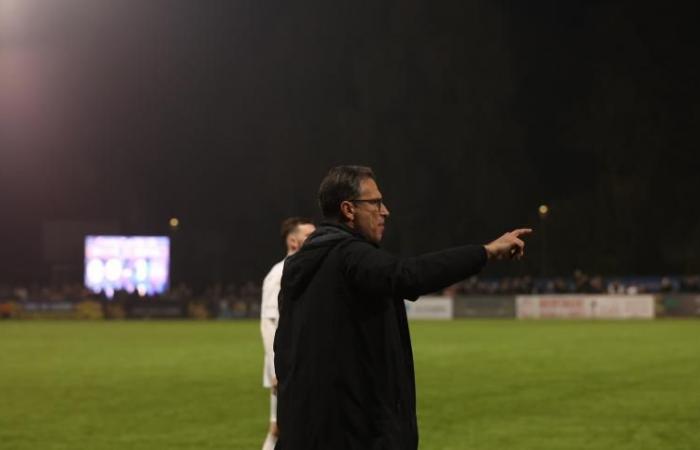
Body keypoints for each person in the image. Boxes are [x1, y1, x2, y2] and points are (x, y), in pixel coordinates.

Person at [274, 165, 531, 450]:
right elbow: (409, 275)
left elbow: (283, 349)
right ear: (348, 209)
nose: (385, 211)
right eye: (375, 203)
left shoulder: (295, 267)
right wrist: (485, 252)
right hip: (354, 435)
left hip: (306, 430)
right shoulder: (350, 255)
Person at [260, 217, 316, 450]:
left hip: (305, 363)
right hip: (286, 366)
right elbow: (268, 323)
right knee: (278, 428)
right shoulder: (279, 274)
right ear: (293, 242)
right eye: (309, 237)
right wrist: (277, 369)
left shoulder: (308, 271)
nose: (316, 240)